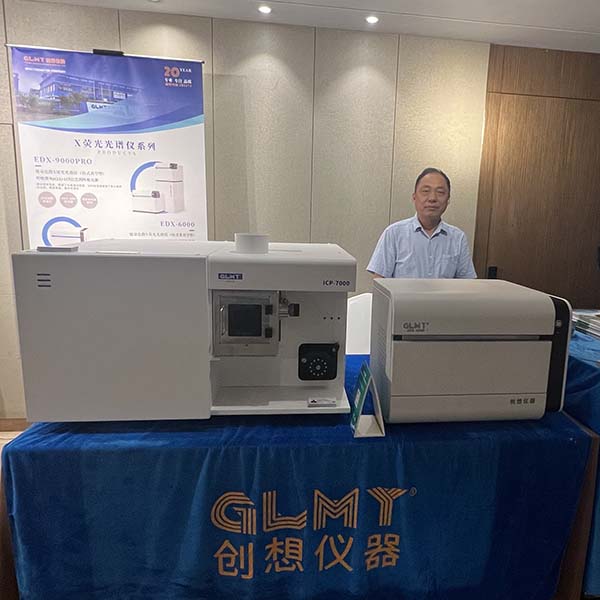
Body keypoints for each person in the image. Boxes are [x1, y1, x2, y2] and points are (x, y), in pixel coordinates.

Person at [367, 167, 476, 279]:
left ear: (448, 200)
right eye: (425, 191)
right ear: (414, 197)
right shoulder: (393, 234)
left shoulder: (458, 238)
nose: (432, 198)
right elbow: (379, 281)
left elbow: (466, 283)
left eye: (440, 192)